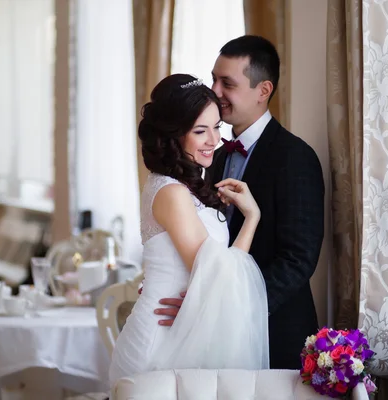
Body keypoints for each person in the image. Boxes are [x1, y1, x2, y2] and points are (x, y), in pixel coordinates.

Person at [155, 35, 325, 370]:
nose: (214, 92)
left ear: (263, 90)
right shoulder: (214, 154)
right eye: (214, 79)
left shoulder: (295, 157)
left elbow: (298, 259)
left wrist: (229, 306)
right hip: (216, 332)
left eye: (227, 83)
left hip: (272, 330)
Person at [107, 73, 269, 390]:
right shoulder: (171, 192)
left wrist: (199, 300)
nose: (213, 140)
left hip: (185, 330)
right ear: (174, 136)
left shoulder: (183, 186)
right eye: (200, 130)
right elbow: (219, 277)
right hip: (159, 341)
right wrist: (252, 217)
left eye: (216, 127)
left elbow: (211, 278)